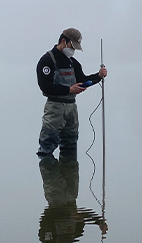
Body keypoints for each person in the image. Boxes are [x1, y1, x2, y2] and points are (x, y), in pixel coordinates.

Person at [36, 28, 108, 158]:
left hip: (71, 110)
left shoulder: (72, 63)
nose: (73, 51)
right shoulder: (47, 61)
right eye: (72, 46)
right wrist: (69, 90)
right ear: (64, 41)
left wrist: (98, 76)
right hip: (54, 108)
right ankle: (50, 176)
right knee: (46, 148)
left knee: (70, 145)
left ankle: (70, 177)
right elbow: (45, 87)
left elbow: (83, 80)